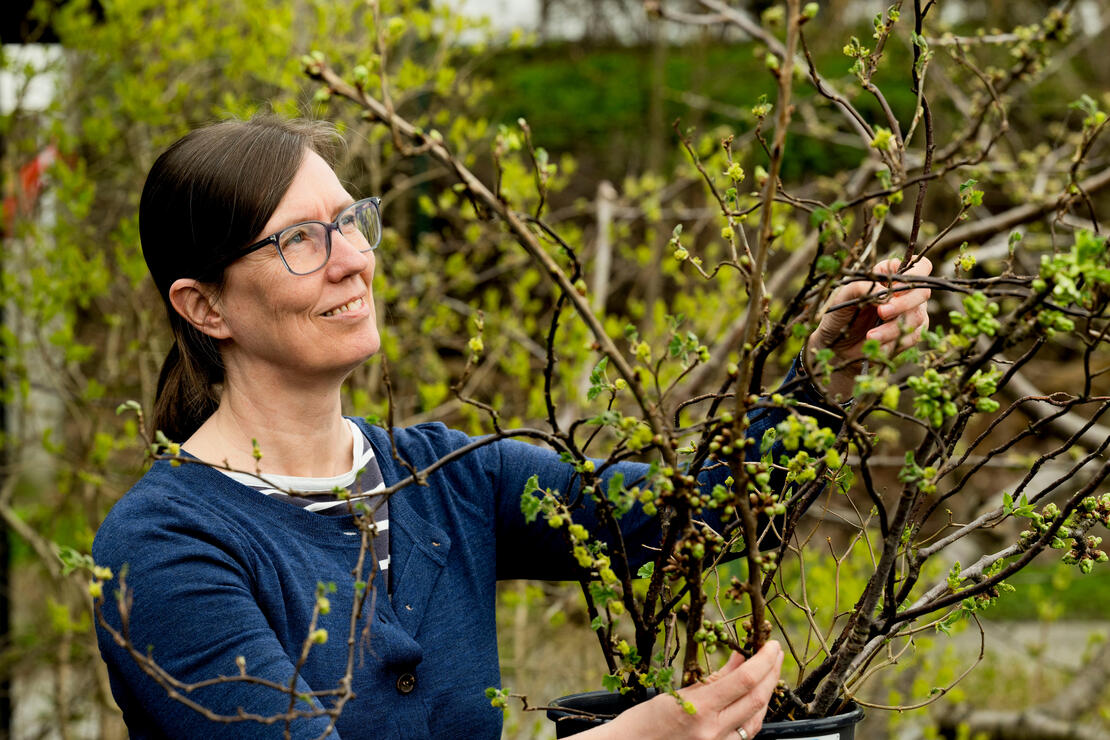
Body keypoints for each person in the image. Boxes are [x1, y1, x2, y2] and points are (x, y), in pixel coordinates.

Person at [92, 116, 931, 739]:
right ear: (205, 306)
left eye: (351, 222)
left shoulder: (449, 478)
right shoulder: (165, 547)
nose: (353, 259)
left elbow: (700, 519)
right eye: (301, 241)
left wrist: (827, 375)